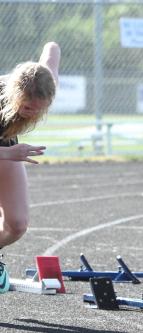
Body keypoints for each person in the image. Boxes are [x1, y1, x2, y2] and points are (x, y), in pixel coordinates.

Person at [0, 41, 61, 293]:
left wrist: (8, 152)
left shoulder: (46, 82)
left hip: (6, 145)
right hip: (6, 149)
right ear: (14, 96)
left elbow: (53, 48)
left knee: (17, 225)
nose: (31, 114)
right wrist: (8, 153)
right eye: (26, 108)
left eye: (38, 110)